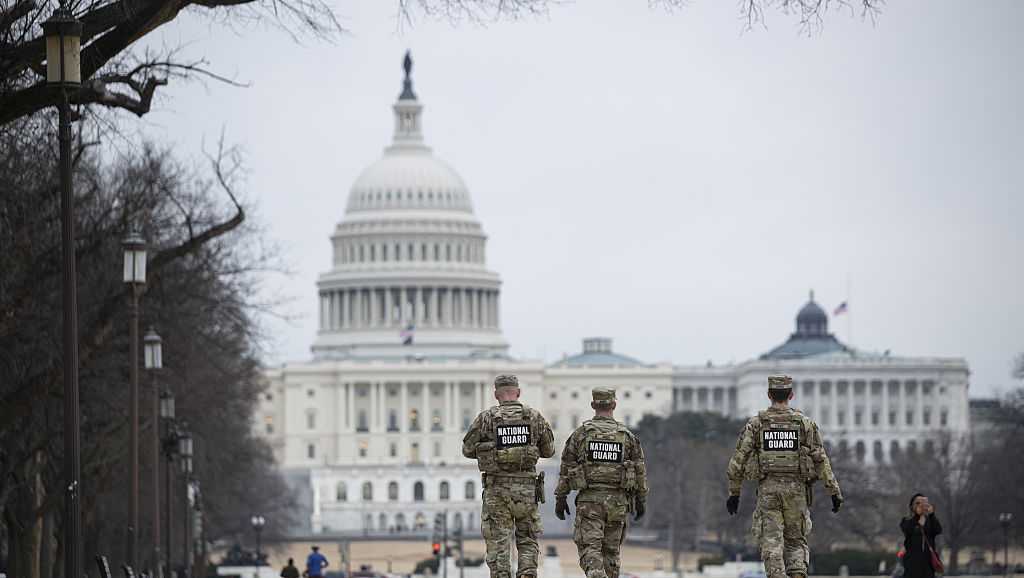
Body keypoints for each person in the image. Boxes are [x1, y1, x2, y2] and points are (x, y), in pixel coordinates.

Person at [725, 375, 843, 578]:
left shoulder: (756, 424)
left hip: (768, 490)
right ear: (791, 395)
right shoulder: (805, 424)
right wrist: (834, 491)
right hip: (796, 491)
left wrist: (734, 493)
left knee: (772, 542)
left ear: (769, 395)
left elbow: (737, 461)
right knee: (795, 541)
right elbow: (821, 460)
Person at [462, 375, 555, 578]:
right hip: (526, 490)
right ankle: (527, 574)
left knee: (499, 542)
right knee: (528, 539)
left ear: (496, 395)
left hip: (497, 490)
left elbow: (467, 450)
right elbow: (548, 451)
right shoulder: (534, 417)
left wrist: (492, 449)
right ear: (518, 393)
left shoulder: (486, 418)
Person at [554, 387, 648, 578]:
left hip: (590, 501)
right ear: (614, 404)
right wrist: (641, 499)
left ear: (593, 405)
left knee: (590, 549)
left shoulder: (581, 434)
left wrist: (561, 498)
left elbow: (566, 467)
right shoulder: (627, 437)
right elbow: (639, 470)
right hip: (618, 503)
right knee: (611, 553)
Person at [899, 494, 942, 578]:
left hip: (928, 562)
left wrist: (932, 514)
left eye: (923, 502)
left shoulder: (930, 520)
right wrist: (916, 517)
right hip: (912, 562)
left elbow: (938, 530)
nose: (921, 505)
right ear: (912, 506)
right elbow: (907, 529)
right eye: (918, 503)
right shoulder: (907, 520)